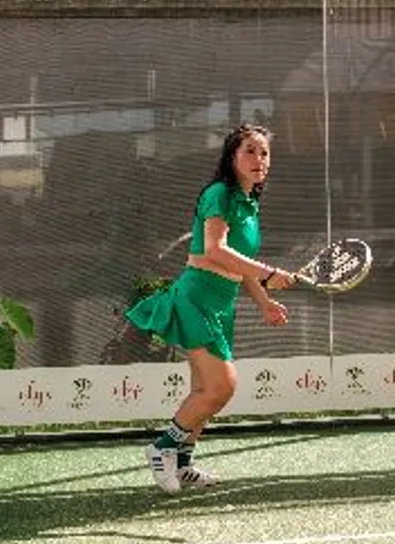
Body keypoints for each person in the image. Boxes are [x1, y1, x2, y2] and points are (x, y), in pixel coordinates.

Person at [125, 124, 296, 494]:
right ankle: (162, 448)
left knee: (203, 389)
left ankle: (183, 464)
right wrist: (268, 274)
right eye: (249, 151)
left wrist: (265, 302)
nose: (259, 159)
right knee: (222, 386)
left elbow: (239, 264)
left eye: (264, 152)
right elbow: (215, 250)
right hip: (196, 299)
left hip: (222, 304)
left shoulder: (250, 204)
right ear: (232, 157)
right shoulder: (219, 193)